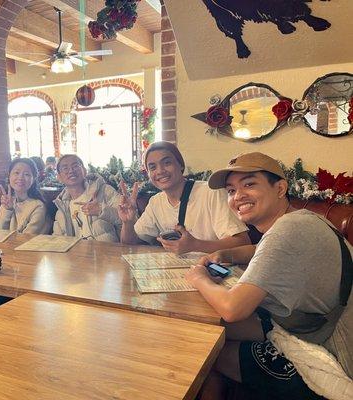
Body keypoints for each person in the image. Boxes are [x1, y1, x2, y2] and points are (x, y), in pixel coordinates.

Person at [186, 152, 352, 400]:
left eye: (249, 184)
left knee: (204, 351)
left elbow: (233, 308)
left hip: (333, 353)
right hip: (316, 328)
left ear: (280, 188)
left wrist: (198, 277)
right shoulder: (304, 220)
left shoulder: (288, 229)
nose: (238, 196)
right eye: (231, 190)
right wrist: (225, 254)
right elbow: (260, 249)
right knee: (207, 332)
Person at [119, 141, 250, 253]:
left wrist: (195, 245)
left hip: (214, 271)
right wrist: (127, 222)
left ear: (180, 165)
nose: (160, 171)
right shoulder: (156, 202)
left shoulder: (211, 192)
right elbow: (129, 244)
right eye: (152, 167)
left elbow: (242, 242)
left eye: (167, 163)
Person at [53, 154, 121, 242]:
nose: (71, 171)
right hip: (77, 255)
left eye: (75, 166)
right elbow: (57, 240)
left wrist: (102, 210)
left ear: (84, 171)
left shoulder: (105, 191)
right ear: (59, 177)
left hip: (106, 252)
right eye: (65, 168)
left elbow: (128, 219)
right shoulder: (62, 206)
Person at [0, 157, 51, 234]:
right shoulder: (7, 202)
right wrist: (8, 210)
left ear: (33, 179)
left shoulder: (38, 206)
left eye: (27, 174)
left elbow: (27, 239)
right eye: (16, 173)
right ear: (9, 176)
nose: (20, 177)